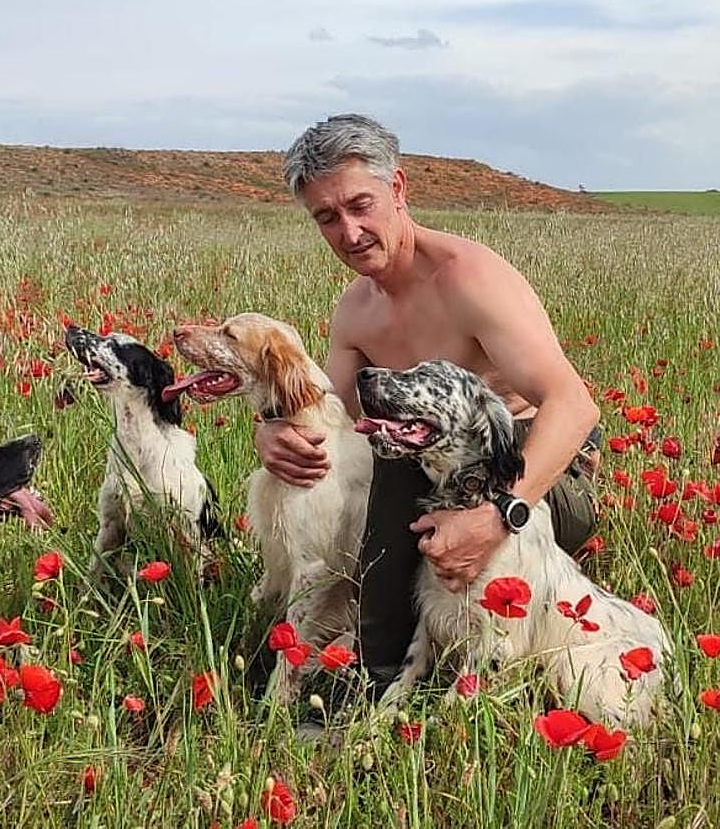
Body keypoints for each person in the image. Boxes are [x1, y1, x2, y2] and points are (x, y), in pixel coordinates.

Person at [257, 113, 602, 692]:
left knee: (396, 473)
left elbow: (573, 405)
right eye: (327, 217)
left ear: (397, 190)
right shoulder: (355, 313)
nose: (349, 231)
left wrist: (500, 516)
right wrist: (269, 431)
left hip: (534, 471)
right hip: (428, 470)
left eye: (359, 205)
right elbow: (335, 421)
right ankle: (348, 649)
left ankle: (375, 670)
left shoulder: (469, 281)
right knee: (371, 465)